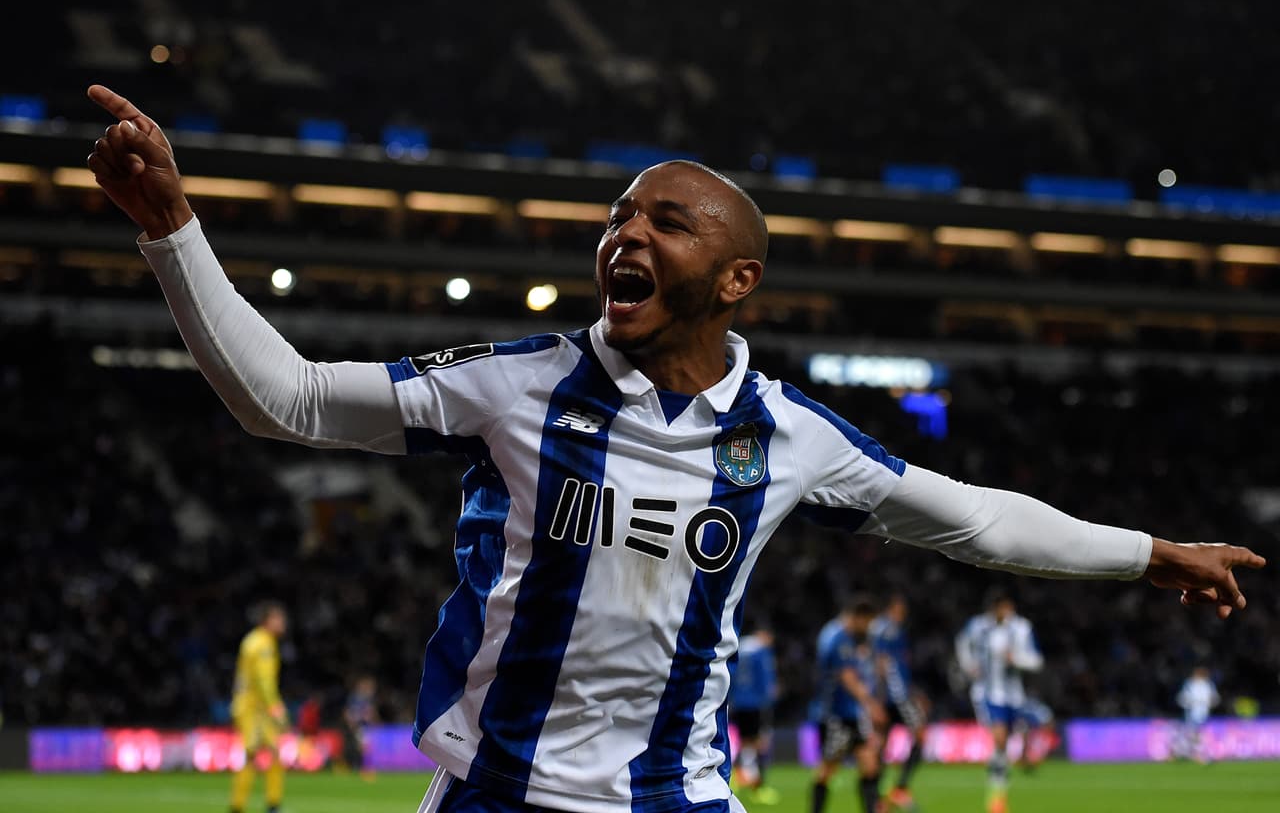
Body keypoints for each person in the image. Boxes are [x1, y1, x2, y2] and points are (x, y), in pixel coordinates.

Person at [85, 84, 1265, 813]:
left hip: (676, 797)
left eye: (664, 220)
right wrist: (174, 233)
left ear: (737, 278)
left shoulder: (789, 436)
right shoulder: (515, 386)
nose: (625, 234)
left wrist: (1147, 552)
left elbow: (967, 516)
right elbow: (283, 397)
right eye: (617, 215)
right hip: (495, 795)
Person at [955, 590, 1041, 813]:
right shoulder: (978, 626)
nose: (1002, 612)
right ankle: (997, 799)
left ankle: (1004, 772)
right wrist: (968, 666)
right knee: (1000, 739)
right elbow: (961, 642)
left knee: (1003, 747)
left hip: (1015, 696)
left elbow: (1036, 661)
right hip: (988, 694)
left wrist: (1017, 660)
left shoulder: (1022, 628)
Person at [810, 598, 887, 813]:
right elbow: (847, 678)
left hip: (849, 713)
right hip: (835, 714)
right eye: (868, 622)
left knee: (869, 763)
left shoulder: (835, 634)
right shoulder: (839, 637)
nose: (869, 627)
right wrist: (872, 705)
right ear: (859, 617)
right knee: (827, 769)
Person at [229, 600, 289, 813]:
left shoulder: (252, 640)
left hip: (249, 706)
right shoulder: (263, 644)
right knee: (254, 754)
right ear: (268, 620)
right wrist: (275, 706)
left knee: (270, 753)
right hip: (255, 709)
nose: (283, 622)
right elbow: (263, 680)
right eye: (279, 618)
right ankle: (241, 806)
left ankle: (269, 804)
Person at [870, 594, 926, 811]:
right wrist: (880, 698)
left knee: (881, 744)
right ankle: (900, 788)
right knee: (920, 734)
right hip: (895, 696)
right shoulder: (889, 629)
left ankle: (879, 799)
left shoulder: (878, 628)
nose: (904, 614)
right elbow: (881, 663)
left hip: (893, 694)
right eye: (901, 610)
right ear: (892, 608)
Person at [728, 628, 779, 804]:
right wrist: (770, 697)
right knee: (756, 743)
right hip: (755, 703)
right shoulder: (761, 651)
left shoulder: (740, 645)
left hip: (737, 702)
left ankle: (740, 776)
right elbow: (765, 679)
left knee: (746, 741)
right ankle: (754, 783)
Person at [1175, 665, 1219, 763]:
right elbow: (1181, 698)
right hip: (1192, 713)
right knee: (1194, 734)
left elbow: (1215, 698)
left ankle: (1191, 753)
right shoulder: (1189, 684)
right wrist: (1190, 703)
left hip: (1203, 713)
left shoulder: (1209, 685)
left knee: (1197, 734)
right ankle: (1195, 754)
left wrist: (1210, 702)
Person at [343, 675, 380, 780]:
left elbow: (371, 713)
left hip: (365, 727)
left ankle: (363, 768)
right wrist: (351, 722)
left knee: (365, 748)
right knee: (363, 748)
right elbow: (349, 712)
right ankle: (362, 768)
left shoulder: (367, 699)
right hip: (360, 727)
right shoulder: (355, 698)